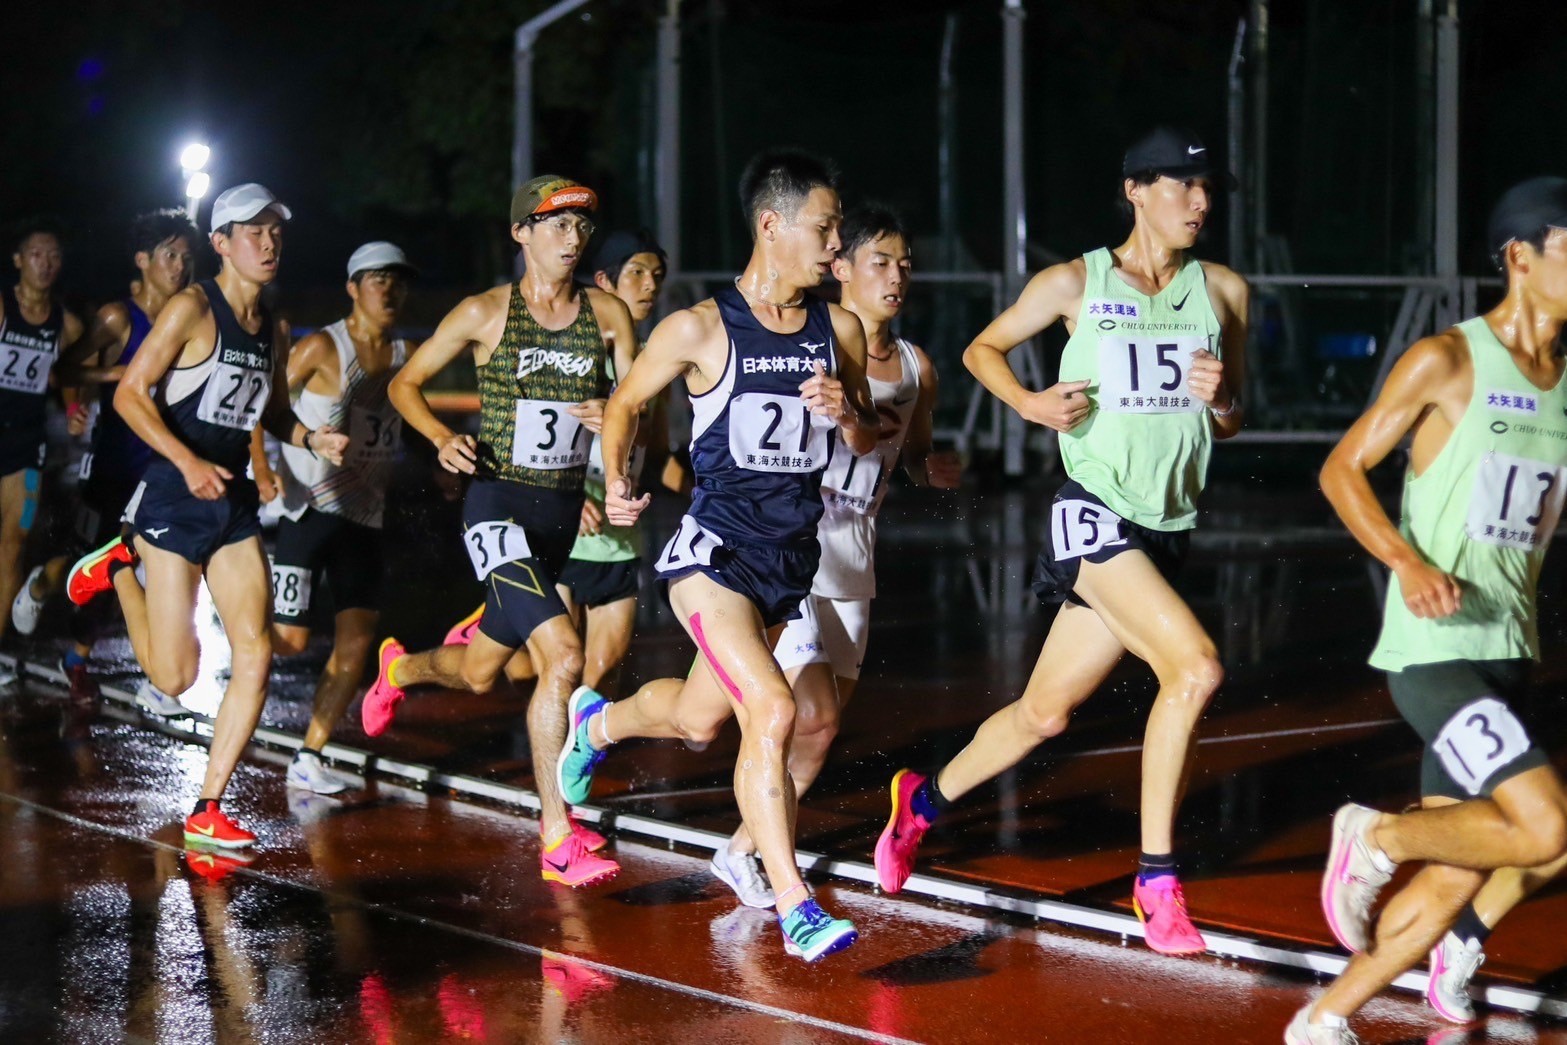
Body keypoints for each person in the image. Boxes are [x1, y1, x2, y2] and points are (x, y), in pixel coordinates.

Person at [873, 127, 1249, 957]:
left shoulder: (1223, 290)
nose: (1198, 201)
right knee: (1194, 667)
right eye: (1180, 185)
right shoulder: (1074, 281)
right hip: (1092, 510)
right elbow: (981, 349)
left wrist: (1222, 399)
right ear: (1134, 190)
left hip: (1165, 527)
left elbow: (1232, 417)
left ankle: (920, 802)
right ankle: (1156, 880)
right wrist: (1028, 402)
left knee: (1043, 713)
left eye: (1206, 188)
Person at [555, 149, 880, 961]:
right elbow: (625, 404)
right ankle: (794, 901)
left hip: (787, 563)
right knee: (771, 709)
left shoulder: (837, 329)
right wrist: (618, 478)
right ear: (771, 225)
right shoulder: (699, 327)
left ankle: (598, 723)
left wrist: (847, 415)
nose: (834, 245)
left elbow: (866, 436)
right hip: (712, 559)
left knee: (699, 719)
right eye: (824, 228)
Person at [1288, 179, 1567, 1042]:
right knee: (1545, 825)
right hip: (1435, 649)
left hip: (1509, 649)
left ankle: (1323, 1018)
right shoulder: (1447, 358)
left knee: (1458, 870)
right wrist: (1404, 560)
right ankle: (1374, 836)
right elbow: (1340, 468)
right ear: (1520, 256)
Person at [361, 175, 633, 888]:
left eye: (581, 227)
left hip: (558, 515)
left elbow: (635, 407)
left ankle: (399, 670)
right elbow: (403, 384)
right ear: (521, 233)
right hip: (496, 507)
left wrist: (615, 424)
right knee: (564, 655)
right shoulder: (486, 312)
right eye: (556, 225)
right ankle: (556, 835)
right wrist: (439, 438)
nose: (572, 239)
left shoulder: (607, 314)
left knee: (480, 672)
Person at [65, 183, 349, 849]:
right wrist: (187, 461)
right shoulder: (193, 308)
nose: (269, 243)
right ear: (220, 243)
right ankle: (121, 565)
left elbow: (270, 410)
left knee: (257, 653)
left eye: (275, 231)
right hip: (171, 492)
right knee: (175, 677)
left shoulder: (273, 325)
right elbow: (132, 394)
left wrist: (310, 437)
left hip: (231, 501)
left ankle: (208, 807)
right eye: (254, 232)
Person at [711, 203, 962, 907]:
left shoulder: (915, 366)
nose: (897, 276)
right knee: (804, 713)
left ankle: (740, 850)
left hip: (855, 558)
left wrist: (933, 469)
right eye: (880, 262)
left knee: (818, 735)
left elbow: (912, 455)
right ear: (840, 268)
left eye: (905, 264)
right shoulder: (805, 345)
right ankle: (780, 873)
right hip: (792, 548)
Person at [448, 229, 669, 699]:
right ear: (604, 282)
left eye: (658, 275)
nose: (650, 285)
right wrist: (576, 494)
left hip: (617, 535)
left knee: (601, 675)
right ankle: (495, 618)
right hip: (566, 521)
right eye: (637, 273)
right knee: (544, 667)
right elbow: (534, 428)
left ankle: (497, 623)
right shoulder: (570, 345)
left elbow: (654, 445)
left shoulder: (657, 362)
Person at [12, 210, 197, 711]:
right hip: (115, 465)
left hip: (163, 470)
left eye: (185, 257)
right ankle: (44, 582)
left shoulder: (191, 317)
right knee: (90, 567)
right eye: (169, 255)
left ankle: (133, 674)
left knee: (158, 570)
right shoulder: (119, 318)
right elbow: (66, 368)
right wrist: (117, 377)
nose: (179, 266)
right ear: (142, 261)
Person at [250, 241, 417, 794]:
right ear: (352, 287)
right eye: (377, 279)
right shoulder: (324, 346)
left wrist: (439, 456)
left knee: (355, 644)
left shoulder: (406, 354)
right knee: (291, 642)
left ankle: (309, 754)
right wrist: (262, 468)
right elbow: (265, 406)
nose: (389, 290)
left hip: (365, 516)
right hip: (308, 509)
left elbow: (408, 416)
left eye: (397, 280)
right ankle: (232, 614)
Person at [0, 219, 85, 674]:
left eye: (54, 256)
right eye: (37, 254)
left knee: (15, 543)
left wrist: (72, 407)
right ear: (18, 260)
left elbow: (70, 373)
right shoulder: (2, 307)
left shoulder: (66, 324)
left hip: (26, 443)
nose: (46, 263)